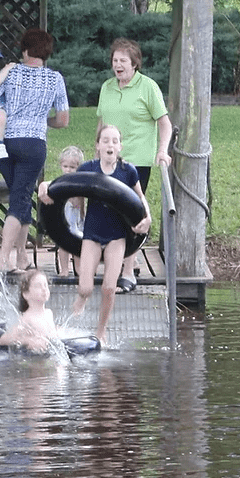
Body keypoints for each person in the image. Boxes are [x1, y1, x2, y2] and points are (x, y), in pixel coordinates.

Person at [39, 124, 151, 348]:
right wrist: (45, 185)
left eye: (114, 141)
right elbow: (68, 187)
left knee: (109, 287)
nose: (110, 144)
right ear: (98, 145)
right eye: (106, 140)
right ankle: (78, 304)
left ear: (120, 146)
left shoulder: (128, 171)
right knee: (85, 287)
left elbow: (140, 198)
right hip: (91, 234)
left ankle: (101, 332)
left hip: (117, 236)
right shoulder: (88, 168)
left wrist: (147, 218)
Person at [0, 27, 69, 275]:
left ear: (25, 50)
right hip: (33, 145)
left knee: (21, 196)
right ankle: (2, 260)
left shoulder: (11, 72)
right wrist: (42, 121)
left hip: (4, 143)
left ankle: (21, 258)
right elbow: (63, 120)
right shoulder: (55, 78)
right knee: (19, 200)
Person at [96, 37, 171, 292]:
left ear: (134, 63)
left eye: (123, 61)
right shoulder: (107, 87)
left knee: (129, 213)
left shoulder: (147, 87)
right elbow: (101, 124)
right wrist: (97, 150)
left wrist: (162, 150)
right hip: (108, 159)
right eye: (115, 61)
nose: (118, 65)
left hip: (136, 161)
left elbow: (164, 123)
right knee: (109, 212)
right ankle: (129, 258)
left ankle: (127, 273)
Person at [0, 270, 60, 354]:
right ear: (26, 294)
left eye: (45, 285)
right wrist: (28, 340)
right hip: (33, 360)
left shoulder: (49, 313)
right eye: (38, 286)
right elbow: (3, 340)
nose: (44, 289)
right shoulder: (27, 318)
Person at [53, 145, 85, 277]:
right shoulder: (59, 183)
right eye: (65, 166)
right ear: (61, 165)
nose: (68, 170)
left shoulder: (80, 183)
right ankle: (64, 269)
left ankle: (79, 269)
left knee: (78, 245)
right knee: (63, 245)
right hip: (64, 219)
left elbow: (82, 202)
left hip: (77, 218)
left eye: (72, 167)